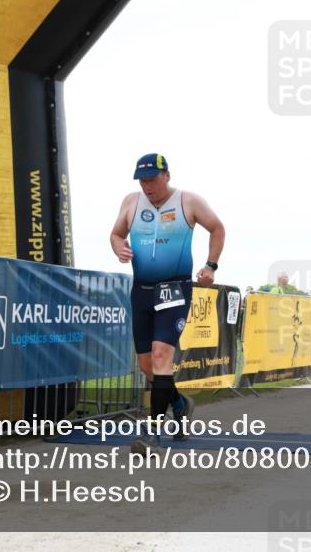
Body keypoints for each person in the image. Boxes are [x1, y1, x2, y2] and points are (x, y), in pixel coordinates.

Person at [110, 153, 225, 451]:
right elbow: (116, 234)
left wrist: (211, 265)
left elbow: (217, 227)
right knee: (148, 365)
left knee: (162, 357)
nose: (147, 186)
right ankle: (179, 403)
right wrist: (119, 248)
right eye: (142, 180)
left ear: (167, 175)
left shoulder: (189, 201)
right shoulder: (131, 202)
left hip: (174, 289)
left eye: (152, 179)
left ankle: (152, 434)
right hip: (142, 291)